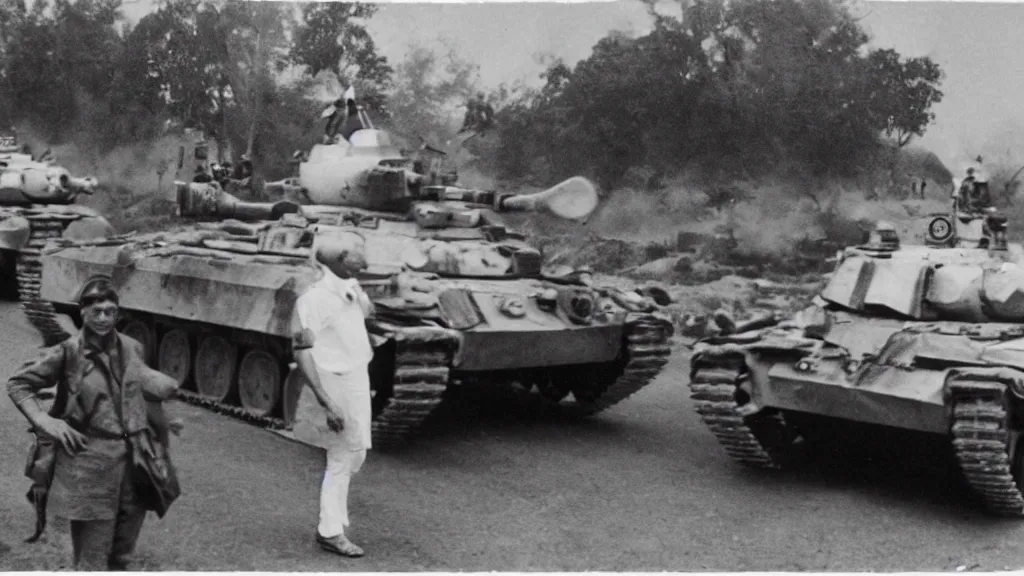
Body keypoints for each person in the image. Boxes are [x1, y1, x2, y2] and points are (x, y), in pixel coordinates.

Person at [7, 276, 180, 570]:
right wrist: (45, 420)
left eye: (110, 311)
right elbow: (18, 384)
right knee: (92, 556)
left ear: (118, 313)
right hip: (91, 461)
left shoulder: (132, 348)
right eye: (96, 311)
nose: (103, 318)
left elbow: (136, 389)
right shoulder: (68, 352)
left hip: (135, 461)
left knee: (122, 553)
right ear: (82, 312)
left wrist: (162, 422)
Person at [290, 233, 375, 559]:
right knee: (341, 457)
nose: (363, 259)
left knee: (356, 454)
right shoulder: (313, 299)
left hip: (356, 376)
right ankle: (330, 531)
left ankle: (334, 520)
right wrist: (326, 402)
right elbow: (303, 351)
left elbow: (366, 317)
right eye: (356, 255)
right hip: (335, 382)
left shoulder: (350, 287)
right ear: (339, 260)